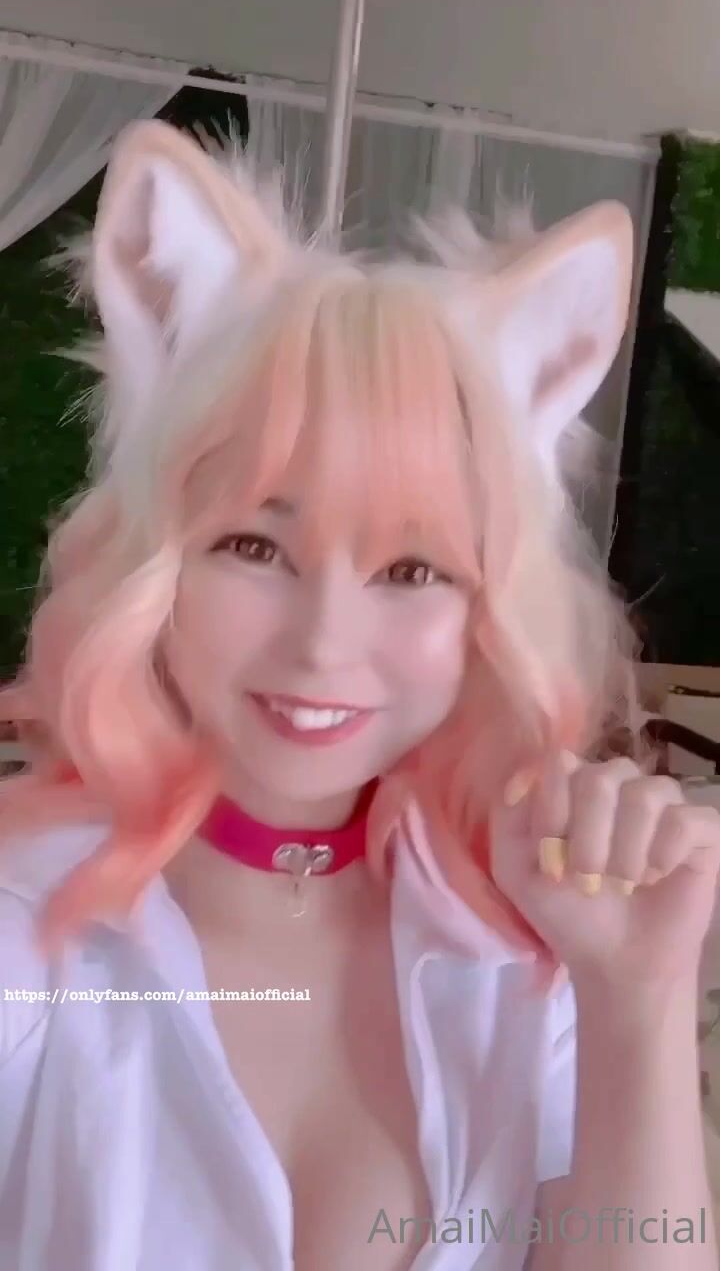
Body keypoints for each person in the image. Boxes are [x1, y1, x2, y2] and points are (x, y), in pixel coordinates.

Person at [0, 119, 718, 1271]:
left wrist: (638, 994)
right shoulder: (27, 930)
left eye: (413, 569)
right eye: (252, 545)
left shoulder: (525, 952)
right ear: (154, 564)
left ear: (491, 611)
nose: (325, 642)